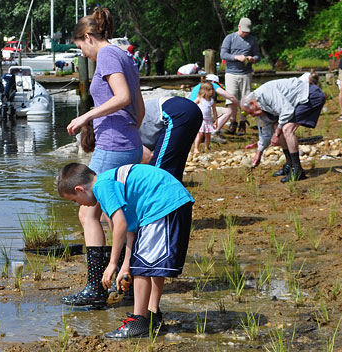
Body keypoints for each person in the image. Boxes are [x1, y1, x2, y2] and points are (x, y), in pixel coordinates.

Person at [63, 7, 145, 307]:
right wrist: (128, 135)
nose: (82, 54)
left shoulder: (108, 56)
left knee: (88, 212)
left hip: (114, 145)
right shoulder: (125, 55)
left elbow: (122, 97)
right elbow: (139, 110)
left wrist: (86, 116)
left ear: (87, 37)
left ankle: (97, 287)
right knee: (117, 213)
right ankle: (124, 278)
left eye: (80, 47)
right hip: (126, 142)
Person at [57, 163, 194, 338]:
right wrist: (125, 266)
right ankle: (152, 314)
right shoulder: (108, 182)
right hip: (167, 203)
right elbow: (130, 233)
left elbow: (120, 224)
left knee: (143, 267)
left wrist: (113, 263)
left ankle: (139, 322)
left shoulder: (101, 187)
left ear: (80, 189)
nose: (78, 204)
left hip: (162, 205)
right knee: (149, 264)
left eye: (75, 200)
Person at [242, 73, 326, 182]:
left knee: (286, 129)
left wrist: (276, 134)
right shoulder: (260, 107)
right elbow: (266, 132)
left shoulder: (266, 94)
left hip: (311, 95)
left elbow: (287, 111)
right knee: (278, 125)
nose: (252, 116)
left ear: (252, 104)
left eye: (250, 113)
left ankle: (297, 170)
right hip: (300, 101)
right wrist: (259, 153)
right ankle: (289, 165)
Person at [139, 95, 202, 183]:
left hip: (173, 110)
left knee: (157, 171)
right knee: (176, 162)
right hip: (192, 109)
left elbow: (147, 156)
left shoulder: (124, 139)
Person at [220, 17, 261, 136]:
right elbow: (223, 54)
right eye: (243, 31)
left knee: (246, 100)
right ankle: (233, 122)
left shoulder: (252, 40)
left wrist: (253, 59)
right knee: (231, 99)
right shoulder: (230, 38)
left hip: (246, 73)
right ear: (239, 27)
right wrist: (236, 57)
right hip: (231, 73)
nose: (245, 33)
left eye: (247, 31)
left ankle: (243, 123)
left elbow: (258, 55)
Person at [188, 73, 239, 143]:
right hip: (201, 111)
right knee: (228, 111)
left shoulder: (197, 86)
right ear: (213, 82)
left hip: (191, 112)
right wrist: (240, 105)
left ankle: (202, 133)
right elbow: (230, 97)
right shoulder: (212, 84)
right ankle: (213, 133)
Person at [193, 82, 218, 154]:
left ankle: (207, 147)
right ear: (204, 91)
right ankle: (196, 148)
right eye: (209, 90)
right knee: (200, 134)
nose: (211, 91)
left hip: (208, 120)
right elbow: (192, 105)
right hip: (201, 120)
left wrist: (216, 120)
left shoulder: (212, 101)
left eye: (212, 90)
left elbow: (214, 111)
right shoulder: (200, 99)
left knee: (208, 135)